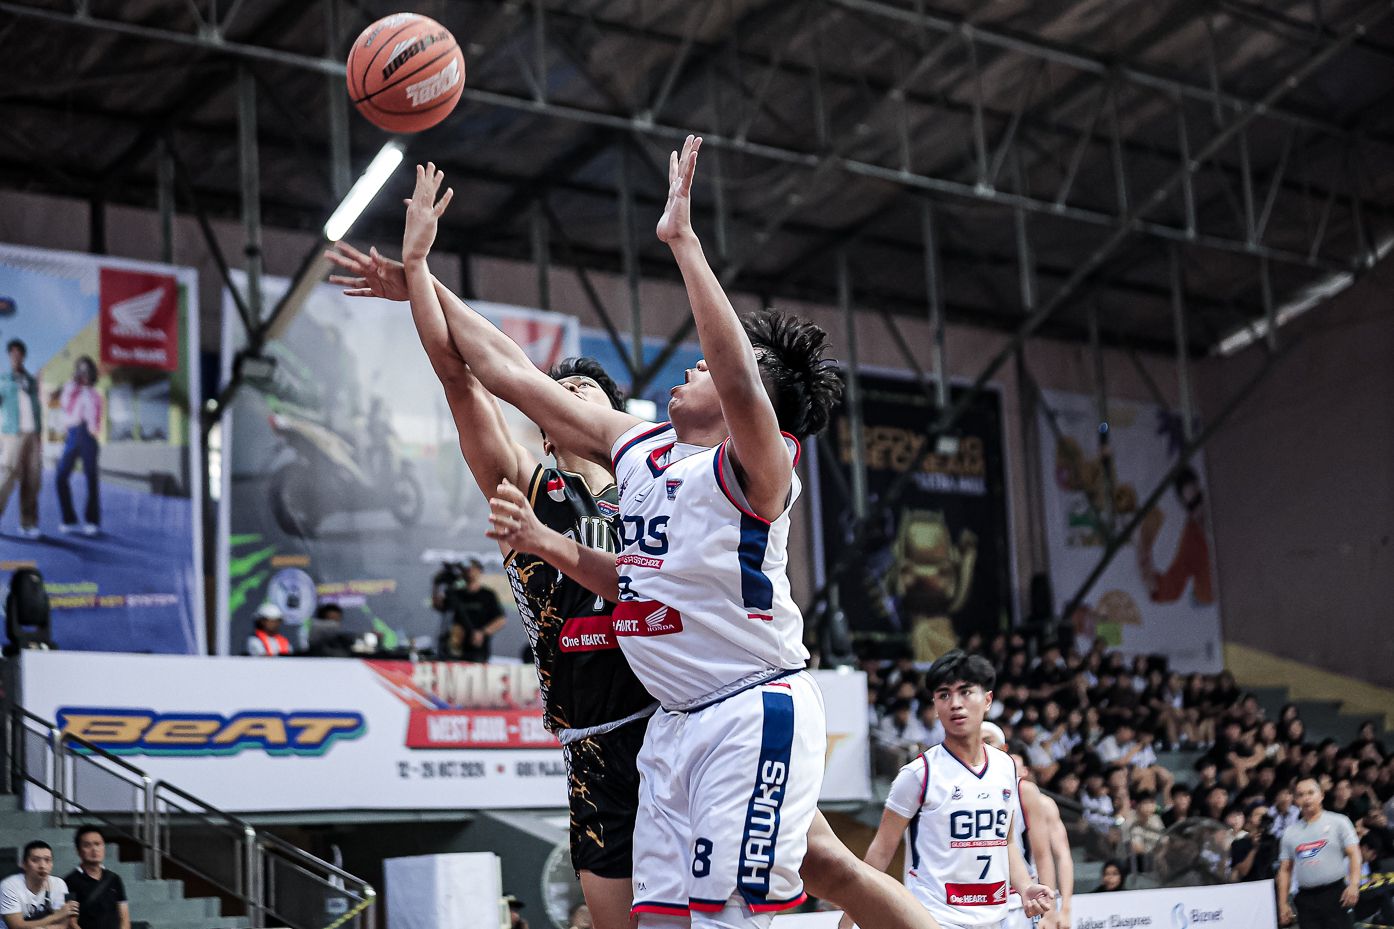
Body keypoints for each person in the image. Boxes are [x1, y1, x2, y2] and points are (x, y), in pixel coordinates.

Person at [332, 164, 941, 929]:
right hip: (664, 728)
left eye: (714, 364)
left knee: (763, 899)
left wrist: (684, 244)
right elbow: (499, 371)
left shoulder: (760, 467)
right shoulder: (638, 450)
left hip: (743, 707)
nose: (694, 363)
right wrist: (421, 275)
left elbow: (739, 381)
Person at [845, 651, 1052, 929]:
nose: (955, 704)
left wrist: (1025, 886)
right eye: (944, 695)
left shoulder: (1005, 767)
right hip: (934, 919)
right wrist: (850, 917)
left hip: (996, 918)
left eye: (965, 692)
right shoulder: (919, 774)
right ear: (934, 704)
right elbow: (880, 851)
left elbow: (1006, 841)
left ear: (987, 700)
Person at [983, 723, 1073, 929]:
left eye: (988, 742)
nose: (982, 747)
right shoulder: (959, 788)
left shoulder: (1031, 796)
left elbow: (1052, 855)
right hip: (976, 900)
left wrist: (1061, 908)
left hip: (1019, 898)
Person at [1277, 777, 1361, 929]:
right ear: (1296, 799)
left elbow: (1354, 854)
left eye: (1311, 792)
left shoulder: (1339, 822)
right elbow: (1284, 870)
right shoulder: (1290, 833)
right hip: (1306, 899)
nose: (1306, 798)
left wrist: (1354, 884)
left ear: (1321, 794)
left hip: (1336, 894)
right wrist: (1283, 904)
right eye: (1301, 795)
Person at [52, 356, 102, 536]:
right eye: (80, 370)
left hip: (88, 437)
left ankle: (92, 520)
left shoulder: (96, 395)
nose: (84, 374)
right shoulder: (71, 389)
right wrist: (73, 383)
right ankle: (68, 518)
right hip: (73, 433)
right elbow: (64, 403)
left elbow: (96, 419)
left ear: (92, 373)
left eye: (87, 370)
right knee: (61, 476)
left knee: (91, 479)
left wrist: (93, 431)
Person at [0, 338, 42, 538]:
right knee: (7, 476)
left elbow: (37, 408)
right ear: (9, 357)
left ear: (23, 356)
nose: (15, 357)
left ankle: (28, 523)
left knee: (32, 480)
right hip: (12, 433)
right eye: (12, 354)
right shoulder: (3, 380)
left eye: (19, 353)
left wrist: (40, 433)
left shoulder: (32, 381)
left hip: (33, 434)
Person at [436, 559, 506, 662]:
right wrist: (437, 585)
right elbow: (439, 606)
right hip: (456, 647)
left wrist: (482, 633)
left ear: (479, 571)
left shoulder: (487, 595)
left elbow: (500, 620)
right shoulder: (456, 593)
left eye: (472, 569)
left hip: (478, 649)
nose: (469, 572)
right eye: (466, 570)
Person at [0, 841, 78, 928]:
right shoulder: (9, 886)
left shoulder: (58, 884)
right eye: (35, 860)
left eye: (47, 860)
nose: (42, 866)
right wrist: (56, 916)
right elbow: (16, 926)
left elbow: (63, 925)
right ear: (24, 864)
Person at [62, 827, 129, 929]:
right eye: (87, 845)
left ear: (104, 847)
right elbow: (72, 923)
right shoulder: (69, 882)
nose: (94, 849)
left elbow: (124, 918)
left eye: (98, 844)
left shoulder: (114, 879)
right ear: (78, 851)